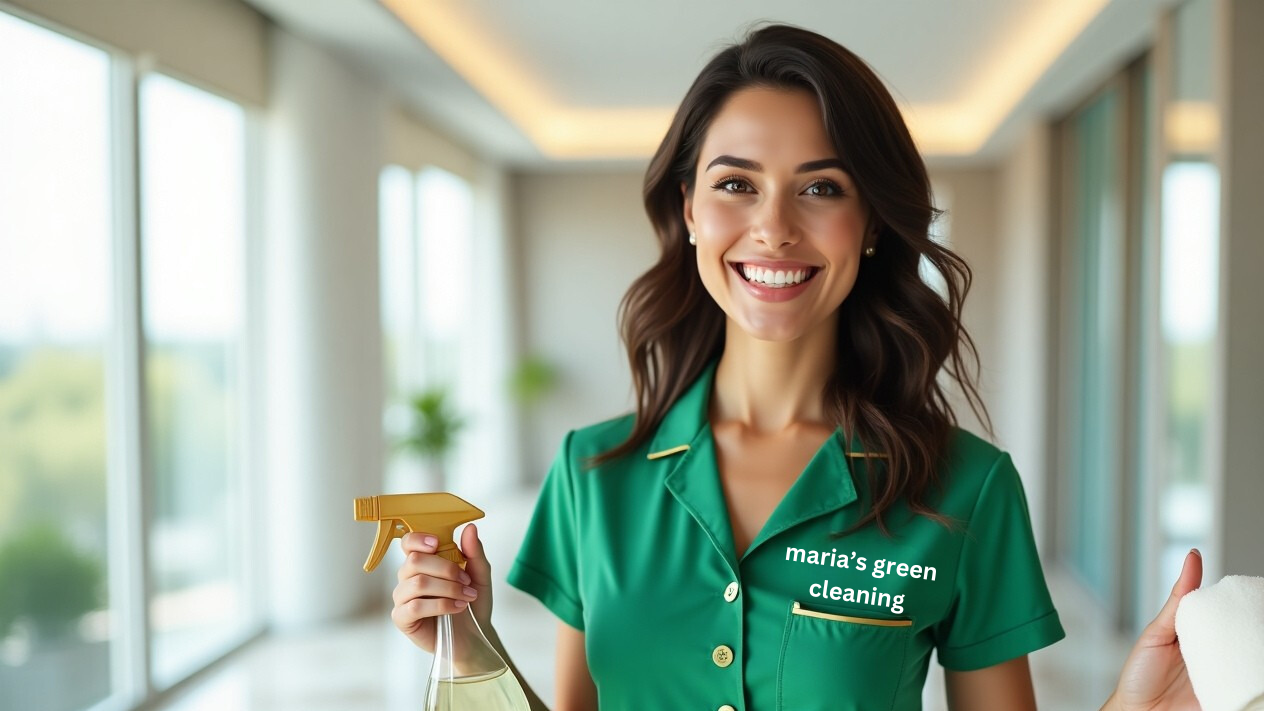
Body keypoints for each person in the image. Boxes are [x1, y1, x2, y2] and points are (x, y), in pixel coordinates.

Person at [389, 23, 1205, 711]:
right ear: (689, 209)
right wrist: (468, 643)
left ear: (873, 222)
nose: (774, 228)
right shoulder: (593, 473)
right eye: (736, 183)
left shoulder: (966, 488)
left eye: (820, 188)